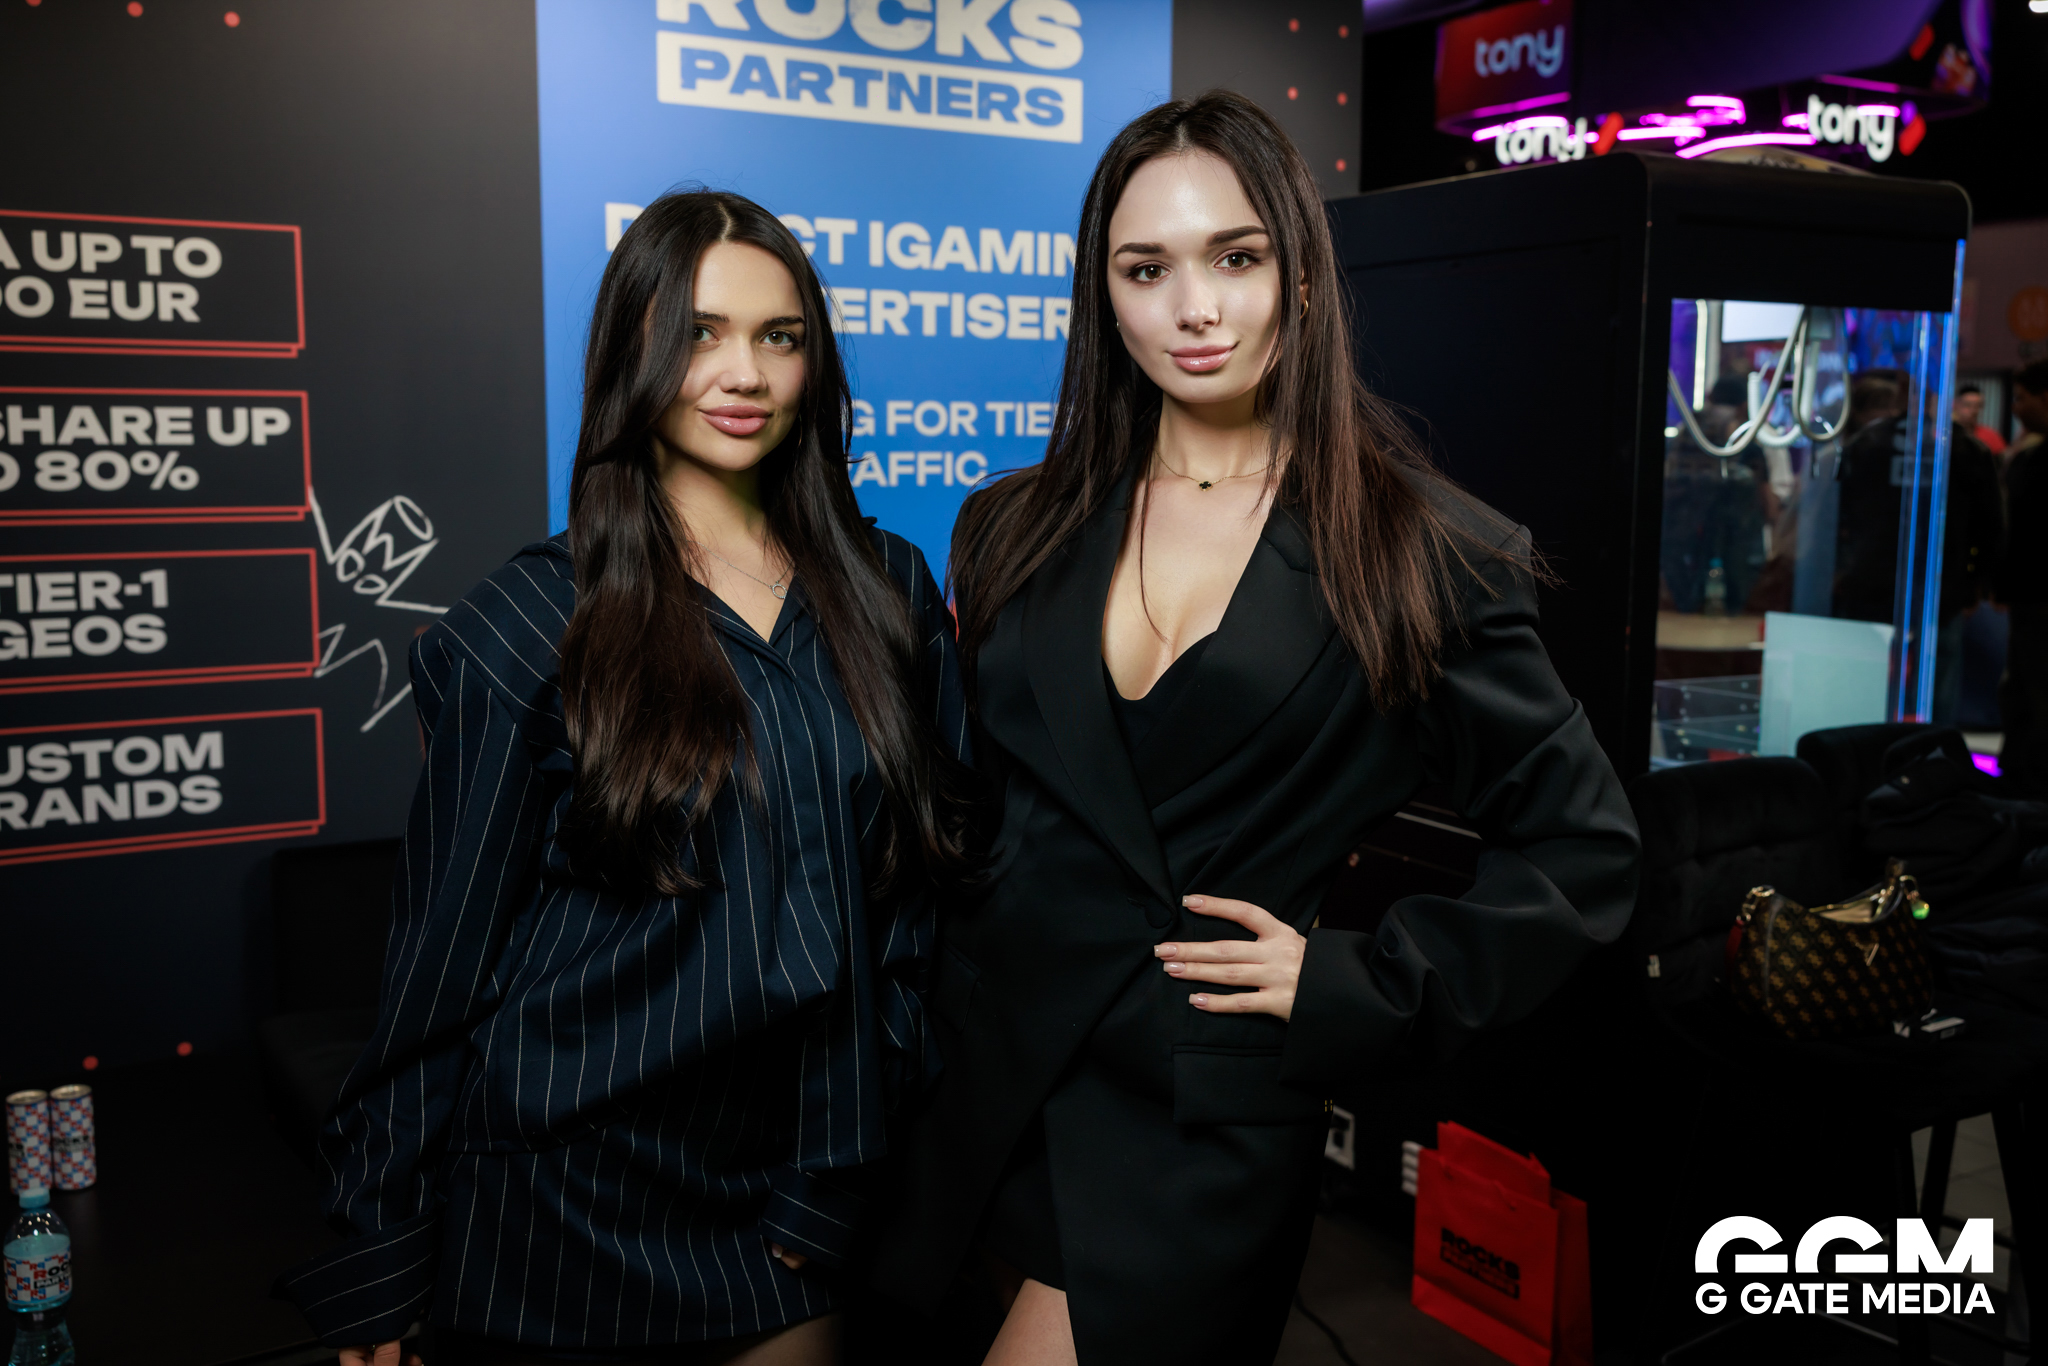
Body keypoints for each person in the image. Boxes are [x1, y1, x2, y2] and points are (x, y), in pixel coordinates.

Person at [870, 92, 1639, 1364]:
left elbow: (1585, 852)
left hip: (1194, 1112)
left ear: (1300, 275)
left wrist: (1357, 983)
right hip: (975, 1078)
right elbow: (977, 811)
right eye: (1146, 269)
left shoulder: (1420, 550)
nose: (1195, 307)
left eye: (1234, 257)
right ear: (1102, 297)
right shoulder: (1009, 524)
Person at [278, 190, 973, 1366]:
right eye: (698, 332)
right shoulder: (526, 623)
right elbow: (438, 966)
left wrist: (848, 1142)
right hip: (561, 1195)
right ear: (630, 353)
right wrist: (380, 1237)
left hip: (789, 1193)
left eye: (778, 336)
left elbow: (914, 907)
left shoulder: (887, 589)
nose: (744, 372)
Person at [2001, 360, 2048, 791]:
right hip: (2028, 596)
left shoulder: (2034, 460)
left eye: (2022, 398)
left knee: (2033, 694)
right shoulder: (2029, 455)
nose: (2016, 408)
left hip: (2035, 596)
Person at [1956, 383, 2007, 456]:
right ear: (1956, 405)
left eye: (1978, 406)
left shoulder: (1991, 436)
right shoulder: (1946, 434)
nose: (1973, 410)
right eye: (1968, 405)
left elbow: (2003, 458)